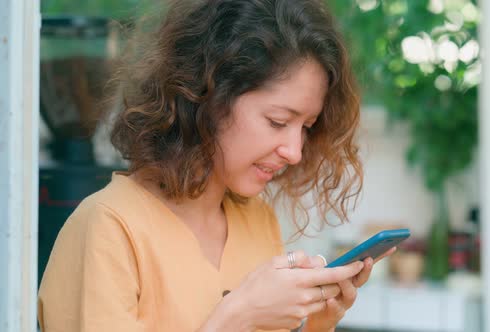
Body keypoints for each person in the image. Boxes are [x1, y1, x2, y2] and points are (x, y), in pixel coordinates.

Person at [37, 0, 395, 331]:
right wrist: (238, 315)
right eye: (277, 121)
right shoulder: (108, 228)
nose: (294, 151)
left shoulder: (257, 222)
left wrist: (318, 320)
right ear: (207, 97)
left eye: (306, 127)